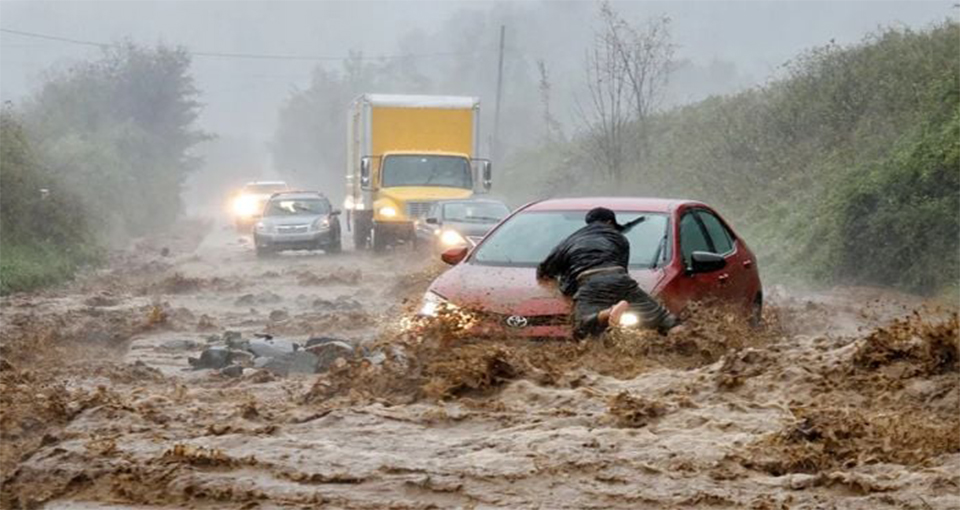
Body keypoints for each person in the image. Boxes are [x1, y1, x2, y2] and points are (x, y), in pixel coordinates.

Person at [537, 207, 679, 339]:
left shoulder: (569, 241)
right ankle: (686, 342)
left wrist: (563, 291)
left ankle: (607, 314)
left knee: (581, 328)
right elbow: (623, 269)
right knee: (665, 319)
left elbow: (544, 271)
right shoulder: (619, 238)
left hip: (589, 282)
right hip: (619, 278)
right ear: (610, 222)